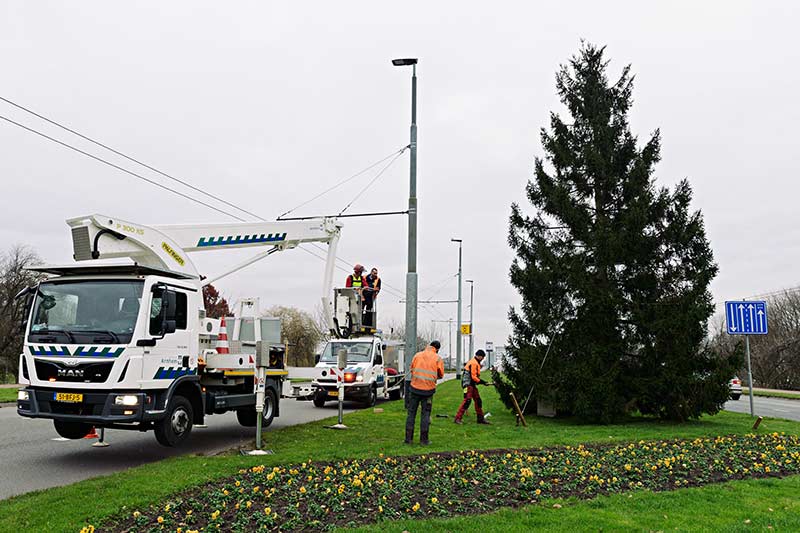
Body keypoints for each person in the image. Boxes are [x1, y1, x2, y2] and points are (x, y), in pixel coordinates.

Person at [405, 340, 445, 445]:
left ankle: (408, 439)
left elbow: (412, 369)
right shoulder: (438, 358)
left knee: (411, 413)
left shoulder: (417, 355)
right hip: (428, 391)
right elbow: (441, 374)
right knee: (425, 414)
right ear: (437, 349)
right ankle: (424, 440)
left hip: (414, 389)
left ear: (429, 346)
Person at [454, 349, 491, 425]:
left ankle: (480, 419)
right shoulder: (474, 363)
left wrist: (481, 382)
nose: (483, 359)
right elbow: (473, 377)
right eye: (482, 357)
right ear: (479, 356)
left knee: (478, 401)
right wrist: (483, 382)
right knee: (467, 401)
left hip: (472, 384)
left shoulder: (475, 362)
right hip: (468, 384)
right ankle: (457, 418)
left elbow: (474, 378)